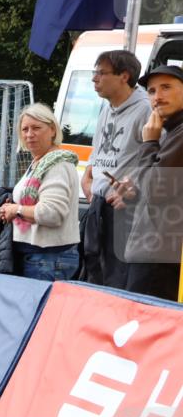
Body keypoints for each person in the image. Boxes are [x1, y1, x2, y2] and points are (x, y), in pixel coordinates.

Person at [107, 65, 183, 301]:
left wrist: (149, 141)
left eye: (166, 87)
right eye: (151, 91)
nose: (157, 97)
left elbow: (156, 189)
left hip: (159, 256)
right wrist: (133, 194)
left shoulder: (178, 132)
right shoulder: (172, 131)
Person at [80, 50, 149, 289]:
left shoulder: (146, 109)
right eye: (94, 72)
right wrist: (88, 176)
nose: (94, 78)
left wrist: (135, 187)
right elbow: (98, 148)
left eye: (101, 72)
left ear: (124, 76)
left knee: (117, 280)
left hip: (125, 209)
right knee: (93, 273)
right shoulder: (106, 107)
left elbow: (157, 158)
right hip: (98, 204)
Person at [0, 103, 80, 281]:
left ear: (52, 130)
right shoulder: (41, 162)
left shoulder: (57, 164)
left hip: (48, 260)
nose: (29, 134)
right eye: (25, 129)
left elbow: (52, 213)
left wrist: (16, 210)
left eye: (36, 128)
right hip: (42, 259)